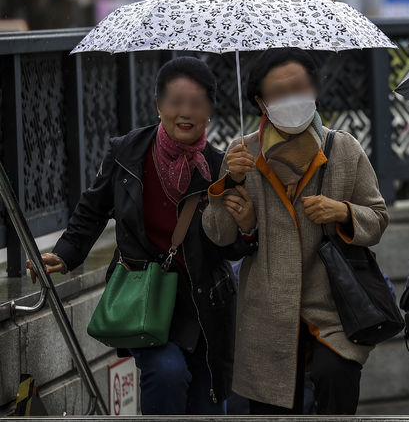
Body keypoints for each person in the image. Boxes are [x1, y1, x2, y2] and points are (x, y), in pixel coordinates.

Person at [27, 57, 258, 415]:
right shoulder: (127, 153)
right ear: (157, 105)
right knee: (166, 373)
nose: (185, 112)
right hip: (142, 298)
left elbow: (233, 247)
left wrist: (245, 223)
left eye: (196, 103)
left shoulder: (222, 168)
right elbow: (93, 207)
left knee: (205, 402)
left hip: (202, 306)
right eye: (175, 101)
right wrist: (67, 253)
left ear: (210, 110)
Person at [202, 48, 389, 415]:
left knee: (336, 376)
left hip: (333, 307)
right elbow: (218, 235)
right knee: (272, 408)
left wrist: (343, 212)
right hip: (267, 312)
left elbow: (378, 218)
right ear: (260, 101)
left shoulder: (344, 148)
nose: (291, 99)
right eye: (278, 92)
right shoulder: (242, 154)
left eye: (299, 87)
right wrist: (232, 183)